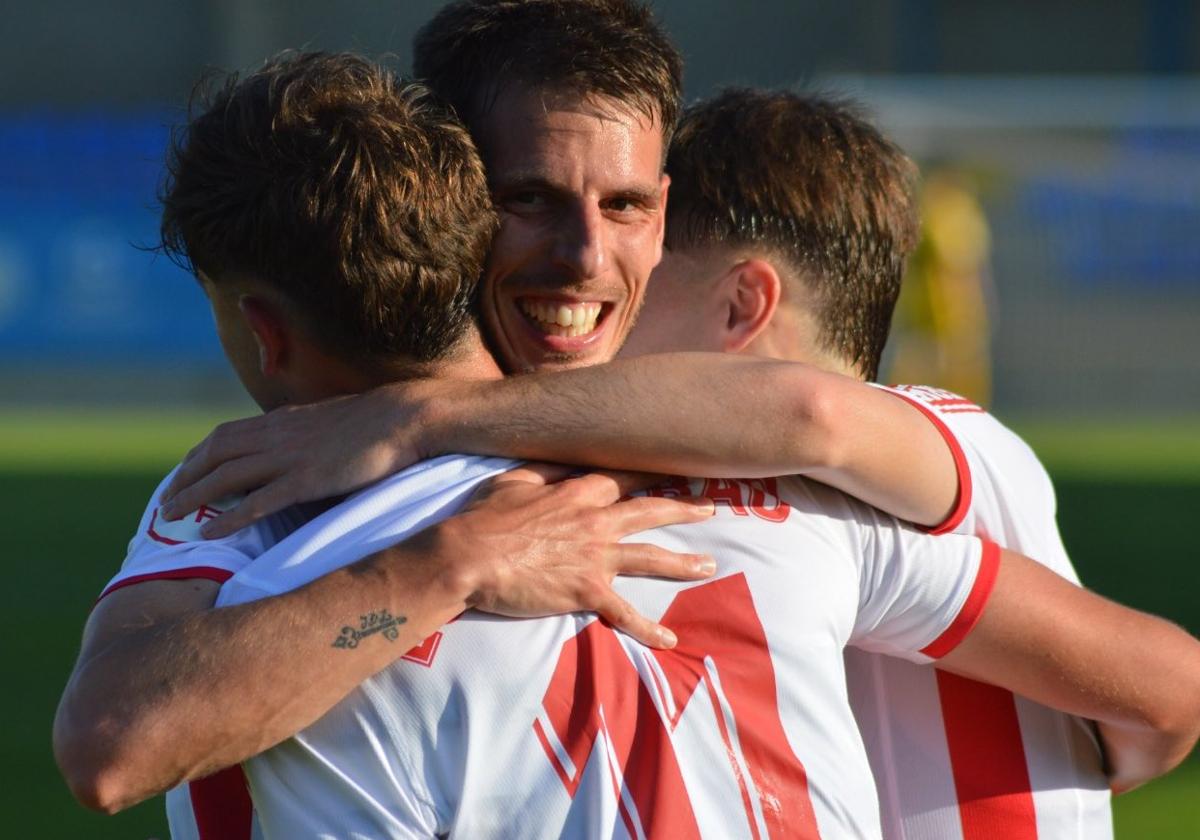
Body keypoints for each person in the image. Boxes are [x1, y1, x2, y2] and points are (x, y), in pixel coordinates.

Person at [126, 25, 1200, 840]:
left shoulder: (827, 473)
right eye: (531, 198)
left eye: (631, 208)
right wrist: (444, 554)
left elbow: (814, 414)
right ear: (458, 202)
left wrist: (424, 418)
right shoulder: (281, 491)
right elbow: (116, 741)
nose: (588, 258)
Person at [52, 49, 718, 828]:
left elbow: (110, 744)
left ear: (264, 332)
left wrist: (451, 560)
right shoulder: (712, 451)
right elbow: (819, 411)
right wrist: (465, 553)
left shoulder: (246, 484)